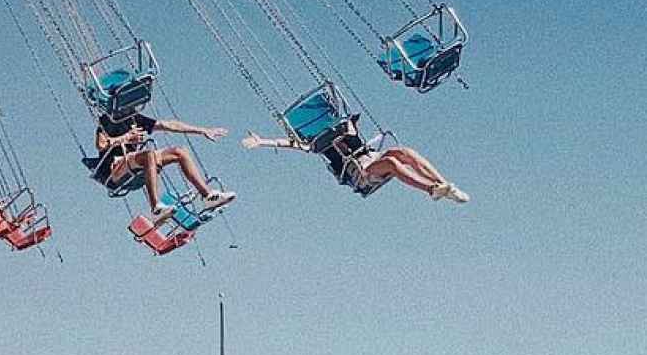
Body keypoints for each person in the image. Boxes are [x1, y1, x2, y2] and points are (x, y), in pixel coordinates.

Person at [242, 119, 470, 202]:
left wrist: (350, 127)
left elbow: (352, 126)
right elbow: (292, 144)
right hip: (359, 174)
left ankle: (444, 185)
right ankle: (431, 189)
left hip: (370, 159)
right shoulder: (318, 143)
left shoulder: (346, 128)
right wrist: (263, 142)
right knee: (392, 164)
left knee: (403, 151)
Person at [96, 112, 237, 220]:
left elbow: (169, 125)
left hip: (134, 162)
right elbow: (101, 145)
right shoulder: (108, 119)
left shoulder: (135, 118)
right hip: (115, 168)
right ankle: (156, 208)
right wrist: (126, 137)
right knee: (149, 155)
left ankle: (208, 196)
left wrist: (202, 130)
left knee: (179, 152)